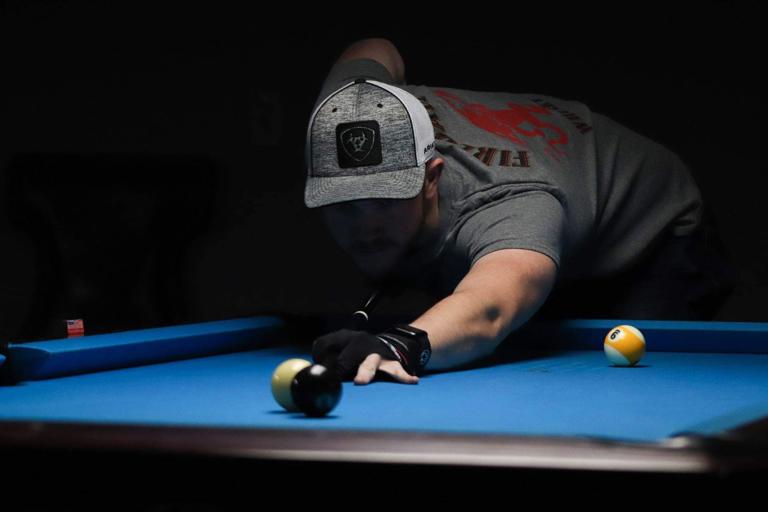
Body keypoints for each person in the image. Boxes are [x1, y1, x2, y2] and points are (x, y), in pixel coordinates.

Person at [304, 38, 736, 386]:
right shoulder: (349, 109)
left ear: (430, 178)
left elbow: (490, 308)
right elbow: (376, 47)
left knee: (619, 383)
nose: (366, 227)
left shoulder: (514, 204)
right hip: (564, 208)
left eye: (386, 201)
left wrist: (399, 345)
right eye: (344, 206)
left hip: (656, 233)